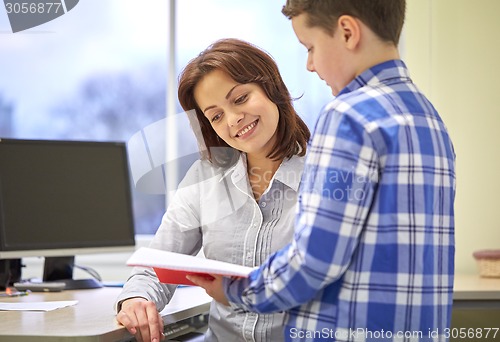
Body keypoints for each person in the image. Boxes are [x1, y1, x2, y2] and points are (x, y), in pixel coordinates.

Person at [188, 1, 456, 341]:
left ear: (347, 32)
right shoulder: (428, 118)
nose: (310, 65)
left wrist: (238, 292)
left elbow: (314, 260)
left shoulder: (347, 115)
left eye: (310, 47)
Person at [115, 38, 310, 342]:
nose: (233, 120)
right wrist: (136, 300)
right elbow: (157, 264)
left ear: (271, 88)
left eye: (241, 98)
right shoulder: (205, 178)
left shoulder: (325, 172)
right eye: (216, 115)